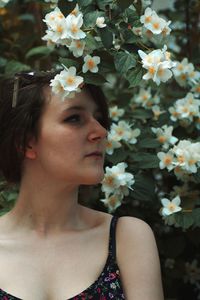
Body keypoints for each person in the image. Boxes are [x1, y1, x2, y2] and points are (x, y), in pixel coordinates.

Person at [0, 71, 164, 300]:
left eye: (99, 118)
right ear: (26, 141)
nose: (101, 132)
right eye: (74, 118)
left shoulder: (127, 238)